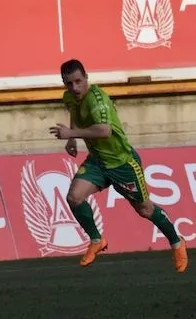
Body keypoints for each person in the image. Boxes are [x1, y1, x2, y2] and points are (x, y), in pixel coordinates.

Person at [49, 59, 188, 272]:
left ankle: (177, 242)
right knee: (74, 197)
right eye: (69, 83)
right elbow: (75, 112)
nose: (74, 88)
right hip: (97, 161)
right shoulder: (69, 97)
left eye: (78, 81)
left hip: (122, 163)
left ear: (86, 78)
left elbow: (104, 130)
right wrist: (72, 139)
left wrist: (71, 133)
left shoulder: (97, 100)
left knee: (144, 209)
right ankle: (97, 240)